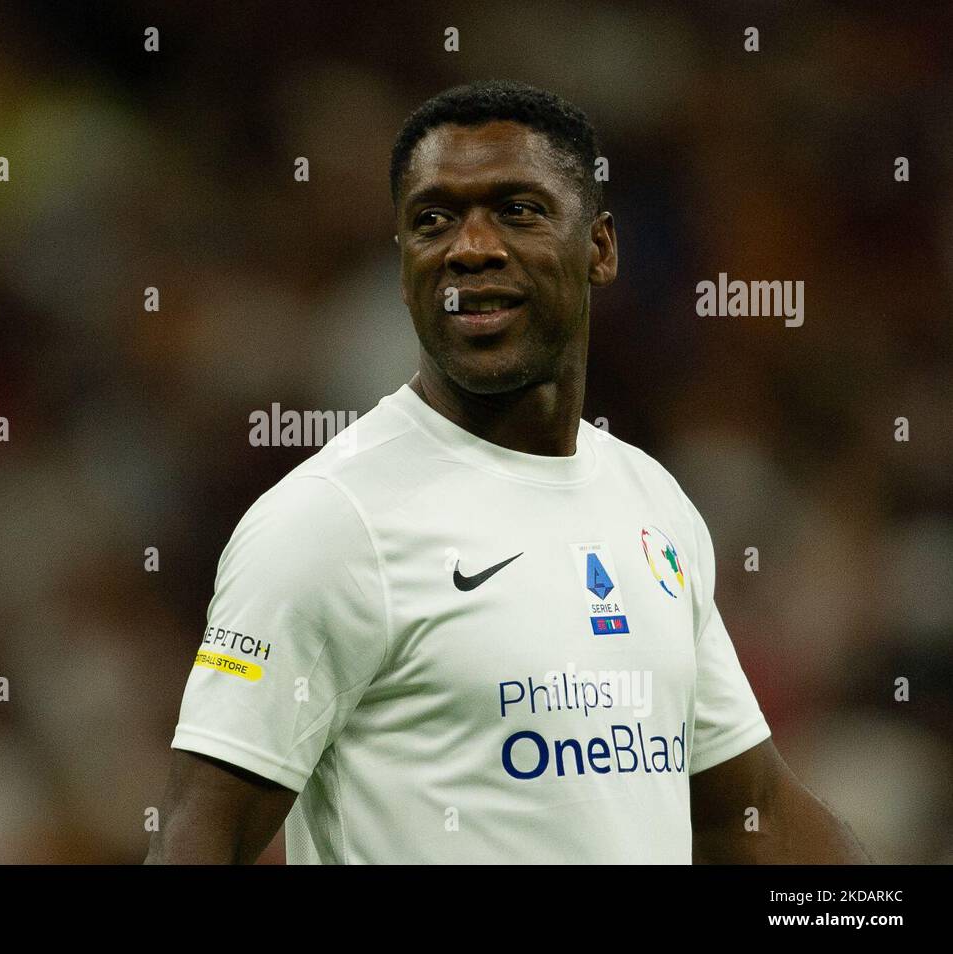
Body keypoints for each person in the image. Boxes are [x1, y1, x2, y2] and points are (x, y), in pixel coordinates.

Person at [146, 80, 869, 864]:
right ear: (402, 267)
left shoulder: (652, 502)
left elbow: (749, 814)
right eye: (433, 220)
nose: (471, 246)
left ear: (600, 247)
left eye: (517, 210)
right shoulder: (327, 521)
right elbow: (201, 837)